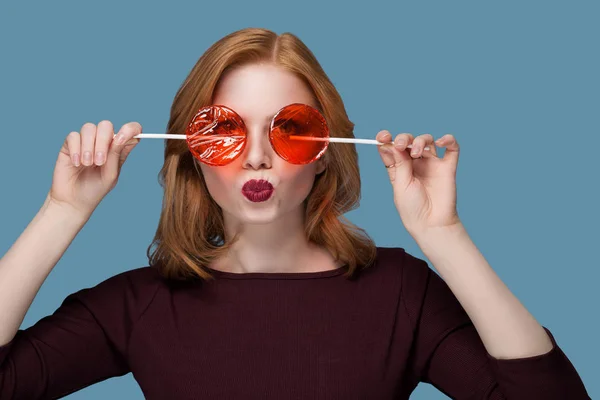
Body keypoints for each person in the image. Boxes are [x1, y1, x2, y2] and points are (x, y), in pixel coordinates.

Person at [0, 27, 590, 399]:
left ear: (326, 155)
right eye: (226, 130)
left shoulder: (400, 293)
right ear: (191, 154)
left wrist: (445, 235)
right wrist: (62, 211)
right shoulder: (140, 304)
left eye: (289, 130)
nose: (256, 156)